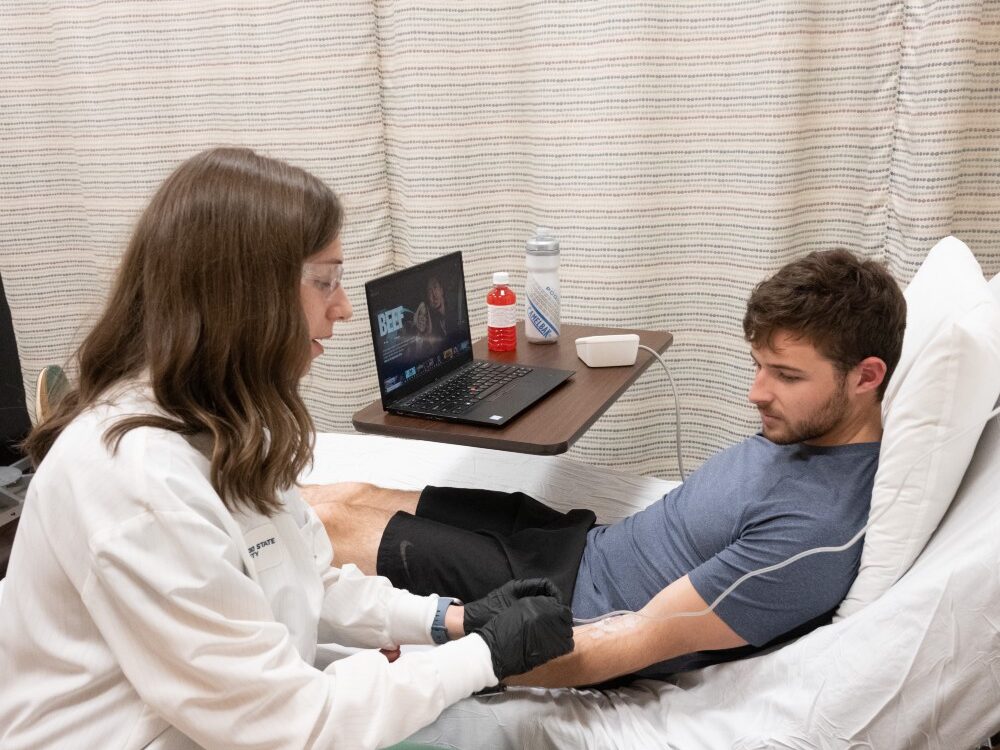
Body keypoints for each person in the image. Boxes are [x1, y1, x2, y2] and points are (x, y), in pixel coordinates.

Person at [0, 148, 573, 750]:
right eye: (324, 281)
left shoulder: (225, 420)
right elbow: (290, 725)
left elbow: (309, 579)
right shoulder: (137, 486)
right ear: (243, 296)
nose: (346, 307)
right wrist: (482, 656)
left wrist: (448, 618)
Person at [305, 248, 907, 689]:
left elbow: (633, 639)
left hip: (560, 600)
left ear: (867, 377)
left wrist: (456, 671)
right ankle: (219, 511)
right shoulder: (812, 426)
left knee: (329, 528)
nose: (757, 392)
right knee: (352, 493)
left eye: (786, 375)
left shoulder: (814, 534)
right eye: (759, 365)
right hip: (579, 541)